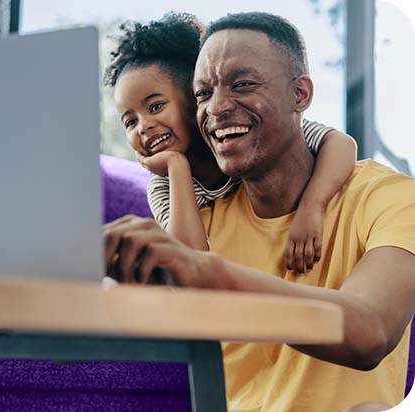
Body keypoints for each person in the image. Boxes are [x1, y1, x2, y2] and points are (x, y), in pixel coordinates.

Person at [103, 11, 415, 412]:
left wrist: (203, 271)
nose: (216, 108)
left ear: (300, 95)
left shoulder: (385, 197)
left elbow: (371, 330)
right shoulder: (198, 214)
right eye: (202, 94)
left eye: (242, 84)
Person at [104, 12, 357, 274]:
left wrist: (312, 207)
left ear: (195, 101)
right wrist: (176, 166)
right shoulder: (163, 186)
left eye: (155, 106)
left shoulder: (249, 142)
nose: (143, 127)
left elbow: (339, 143)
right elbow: (187, 258)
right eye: (130, 122)